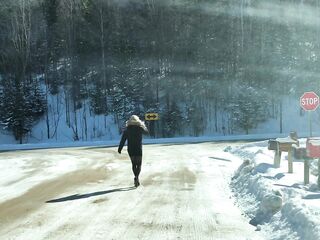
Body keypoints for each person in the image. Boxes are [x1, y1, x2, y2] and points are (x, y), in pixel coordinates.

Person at [118, 115, 148, 187]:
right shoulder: (140, 128)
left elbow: (123, 140)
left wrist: (120, 148)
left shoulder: (127, 130)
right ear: (138, 121)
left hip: (130, 149)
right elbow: (147, 133)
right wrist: (143, 125)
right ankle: (137, 177)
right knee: (139, 164)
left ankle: (136, 177)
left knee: (134, 164)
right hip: (138, 148)